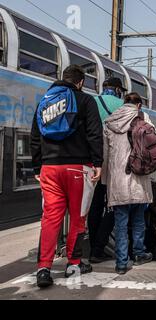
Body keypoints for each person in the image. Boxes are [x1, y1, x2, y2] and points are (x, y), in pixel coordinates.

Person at [31, 65, 103, 288]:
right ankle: (73, 264)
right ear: (80, 82)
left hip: (49, 169)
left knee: (51, 218)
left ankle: (44, 268)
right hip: (77, 168)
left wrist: (36, 167)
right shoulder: (85, 100)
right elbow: (94, 133)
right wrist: (98, 163)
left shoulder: (45, 101)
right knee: (78, 217)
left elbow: (35, 136)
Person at [102, 92, 156, 275]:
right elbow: (155, 144)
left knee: (120, 223)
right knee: (138, 220)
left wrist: (105, 180)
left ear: (123, 103)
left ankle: (121, 262)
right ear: (139, 105)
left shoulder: (110, 122)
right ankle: (139, 253)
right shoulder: (144, 119)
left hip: (118, 181)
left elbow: (105, 155)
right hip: (139, 178)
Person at [88, 78, 126, 264]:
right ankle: (98, 248)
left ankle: (92, 246)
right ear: (118, 89)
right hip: (115, 165)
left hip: (94, 164)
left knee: (94, 206)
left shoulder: (91, 102)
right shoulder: (123, 106)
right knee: (113, 206)